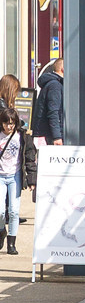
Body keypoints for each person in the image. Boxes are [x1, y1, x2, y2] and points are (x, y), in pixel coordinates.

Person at [0, 101, 34, 256]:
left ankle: (11, 244)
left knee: (14, 211)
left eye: (12, 124)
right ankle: (2, 232)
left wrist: (32, 180)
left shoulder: (22, 137)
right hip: (0, 176)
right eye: (6, 123)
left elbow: (29, 158)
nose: (9, 127)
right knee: (0, 212)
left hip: (15, 176)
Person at [30, 55, 63, 146]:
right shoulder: (55, 86)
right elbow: (53, 111)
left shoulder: (52, 83)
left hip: (46, 133)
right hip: (48, 135)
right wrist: (57, 136)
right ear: (63, 69)